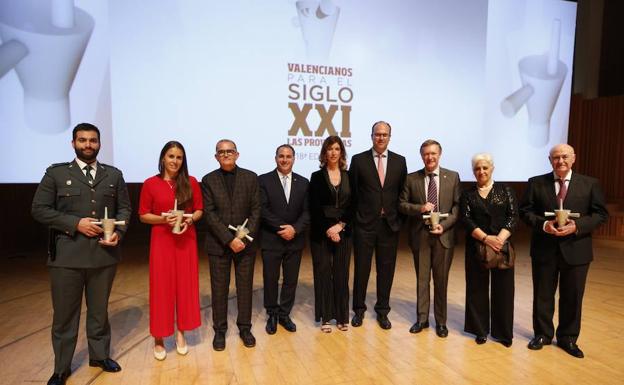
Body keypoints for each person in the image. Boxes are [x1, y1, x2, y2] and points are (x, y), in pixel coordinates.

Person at [31, 123, 131, 385]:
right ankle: (61, 367)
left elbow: (124, 211)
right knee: (65, 315)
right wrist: (75, 224)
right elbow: (39, 209)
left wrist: (118, 233)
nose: (88, 145)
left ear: (99, 143)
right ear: (73, 143)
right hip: (67, 256)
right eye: (83, 140)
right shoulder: (56, 174)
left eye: (93, 141)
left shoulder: (113, 175)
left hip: (103, 255)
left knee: (99, 312)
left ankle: (99, 355)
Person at [520, 144, 608, 358]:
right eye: (556, 157)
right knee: (543, 295)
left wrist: (577, 226)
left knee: (573, 297)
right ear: (549, 160)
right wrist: (543, 225)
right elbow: (525, 211)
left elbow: (600, 214)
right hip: (544, 249)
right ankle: (542, 335)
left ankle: (568, 338)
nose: (560, 161)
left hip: (577, 250)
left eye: (564, 157)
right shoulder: (536, 183)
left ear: (573, 158)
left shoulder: (590, 184)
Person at [138, 141, 203, 360]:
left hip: (186, 240)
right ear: (163, 158)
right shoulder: (150, 184)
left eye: (179, 157)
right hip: (162, 241)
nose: (175, 161)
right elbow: (143, 215)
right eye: (171, 156)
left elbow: (199, 210)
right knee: (161, 288)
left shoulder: (191, 182)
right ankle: (159, 337)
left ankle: (181, 333)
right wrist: (164, 219)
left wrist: (190, 220)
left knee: (185, 287)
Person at [201, 139, 261, 351]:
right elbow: (209, 214)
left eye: (230, 151)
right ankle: (220, 330)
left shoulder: (251, 178)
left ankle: (245, 328)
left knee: (245, 288)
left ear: (237, 154)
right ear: (216, 156)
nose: (226, 155)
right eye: (221, 152)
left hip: (246, 246)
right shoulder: (208, 180)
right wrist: (229, 239)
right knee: (219, 289)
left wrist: (242, 239)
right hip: (219, 245)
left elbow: (256, 211)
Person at [399, 139, 460, 337]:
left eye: (433, 153)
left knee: (441, 281)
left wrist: (445, 225)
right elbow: (402, 205)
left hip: (444, 236)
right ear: (421, 156)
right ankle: (422, 319)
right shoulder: (411, 179)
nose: (430, 157)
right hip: (421, 236)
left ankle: (441, 322)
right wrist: (420, 208)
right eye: (426, 154)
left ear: (439, 155)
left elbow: (457, 208)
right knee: (422, 280)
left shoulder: (452, 177)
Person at [349, 121, 407, 329]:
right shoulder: (358, 160)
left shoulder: (400, 162)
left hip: (389, 226)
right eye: (377, 134)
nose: (381, 138)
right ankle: (358, 310)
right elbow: (353, 193)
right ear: (371, 136)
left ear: (389, 137)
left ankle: (383, 311)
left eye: (384, 134)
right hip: (364, 225)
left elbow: (402, 193)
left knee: (386, 270)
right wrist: (357, 219)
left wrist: (398, 220)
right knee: (361, 270)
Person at [459, 153, 518, 347]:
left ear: (492, 169)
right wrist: (486, 238)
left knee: (504, 291)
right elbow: (466, 220)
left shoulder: (505, 190)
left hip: (502, 247)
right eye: (477, 168)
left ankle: (503, 334)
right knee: (476, 290)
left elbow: (513, 217)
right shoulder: (467, 194)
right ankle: (480, 330)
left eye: (485, 168)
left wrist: (499, 239)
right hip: (477, 246)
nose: (481, 171)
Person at [258, 144, 310, 334]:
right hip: (272, 239)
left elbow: (307, 212)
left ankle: (284, 314)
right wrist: (283, 228)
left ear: (294, 159)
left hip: (294, 240)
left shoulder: (304, 182)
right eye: (281, 156)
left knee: (290, 280)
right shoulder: (263, 180)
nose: (285, 160)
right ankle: (271, 313)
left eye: (289, 156)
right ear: (276, 158)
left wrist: (294, 229)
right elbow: (263, 210)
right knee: (270, 279)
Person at [309, 136, 352, 332]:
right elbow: (314, 207)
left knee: (342, 274)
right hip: (321, 232)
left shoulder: (350, 176)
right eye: (329, 149)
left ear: (341, 152)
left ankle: (342, 316)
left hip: (344, 231)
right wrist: (328, 228)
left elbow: (355, 205)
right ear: (324, 153)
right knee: (323, 274)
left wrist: (340, 226)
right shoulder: (316, 177)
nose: (333, 152)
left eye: (337, 149)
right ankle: (326, 317)